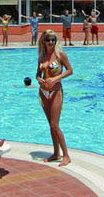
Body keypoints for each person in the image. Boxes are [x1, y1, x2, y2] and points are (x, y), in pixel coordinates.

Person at [36, 29, 73, 167]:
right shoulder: (41, 56)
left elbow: (70, 70)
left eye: (53, 40)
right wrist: (38, 79)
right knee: (50, 125)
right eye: (48, 40)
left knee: (54, 125)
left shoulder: (60, 54)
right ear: (43, 41)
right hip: (43, 92)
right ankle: (56, 153)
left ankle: (66, 155)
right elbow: (37, 74)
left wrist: (56, 78)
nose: (51, 42)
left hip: (56, 91)